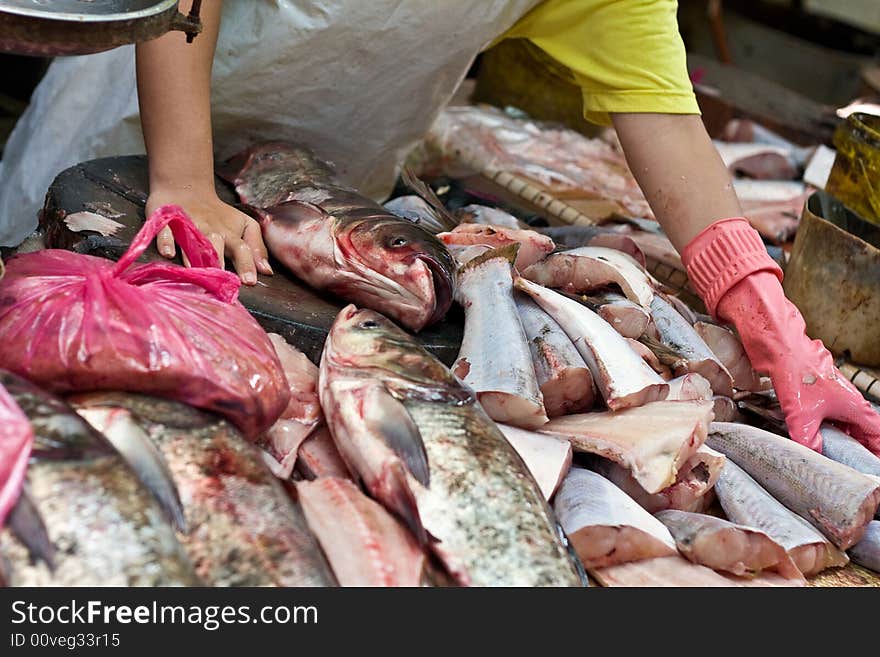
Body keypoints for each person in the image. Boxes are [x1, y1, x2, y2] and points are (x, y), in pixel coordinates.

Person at [1, 0, 877, 453]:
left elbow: (665, 118)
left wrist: (773, 323)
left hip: (321, 199)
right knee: (55, 315)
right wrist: (184, 175)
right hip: (143, 132)